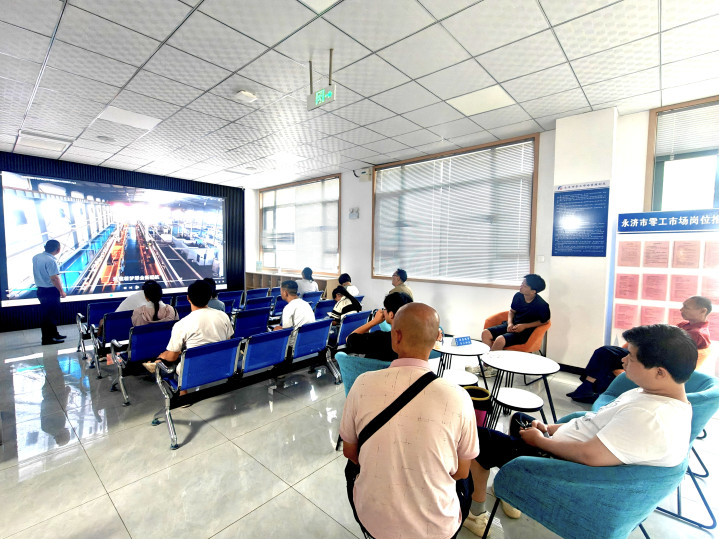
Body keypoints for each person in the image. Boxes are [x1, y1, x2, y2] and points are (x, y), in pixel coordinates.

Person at [464, 323, 695, 537]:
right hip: (564, 448)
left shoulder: (648, 416)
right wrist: (549, 428)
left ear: (660, 372)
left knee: (481, 439)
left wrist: (540, 441)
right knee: (520, 420)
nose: (623, 360)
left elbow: (589, 456)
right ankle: (513, 493)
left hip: (561, 467)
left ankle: (476, 514)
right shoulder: (653, 395)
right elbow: (595, 420)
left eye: (631, 357)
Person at [340, 303, 479, 539]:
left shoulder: (362, 384)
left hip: (373, 518)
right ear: (436, 339)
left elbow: (350, 452)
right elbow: (461, 472)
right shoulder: (459, 397)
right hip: (436, 528)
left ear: (396, 337)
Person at [568, 295, 713, 403]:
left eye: (686, 307)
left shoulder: (697, 334)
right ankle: (589, 387)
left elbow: (669, 353)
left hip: (651, 358)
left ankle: (588, 386)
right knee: (605, 353)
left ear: (703, 311)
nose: (681, 310)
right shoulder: (685, 326)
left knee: (605, 353)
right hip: (648, 352)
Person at [142, 280, 233, 382]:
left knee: (168, 361)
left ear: (188, 298)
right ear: (209, 297)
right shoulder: (223, 316)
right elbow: (228, 341)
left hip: (192, 370)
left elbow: (172, 357)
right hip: (220, 364)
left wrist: (162, 356)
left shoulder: (182, 324)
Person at [481, 274, 550, 351]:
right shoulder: (518, 296)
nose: (521, 286)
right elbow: (512, 311)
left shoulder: (542, 305)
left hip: (525, 332)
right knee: (485, 333)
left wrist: (524, 326)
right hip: (512, 325)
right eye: (522, 284)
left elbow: (545, 321)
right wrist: (510, 323)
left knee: (500, 340)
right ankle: (489, 357)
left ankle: (492, 358)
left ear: (533, 291)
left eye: (525, 286)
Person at [345, 292, 413, 361]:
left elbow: (349, 339)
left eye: (385, 309)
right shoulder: (415, 338)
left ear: (391, 314)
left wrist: (374, 321)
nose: (383, 311)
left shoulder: (380, 339)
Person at [32, 239, 67, 345]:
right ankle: (47, 339)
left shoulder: (36, 257)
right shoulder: (51, 261)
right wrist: (61, 291)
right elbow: (54, 278)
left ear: (45, 247)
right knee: (49, 316)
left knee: (49, 314)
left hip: (41, 290)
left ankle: (54, 334)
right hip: (50, 291)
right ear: (58, 249)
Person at [272, 280, 315, 346]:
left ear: (285, 293)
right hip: (308, 340)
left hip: (294, 344)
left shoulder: (288, 308)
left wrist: (276, 329)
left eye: (281, 291)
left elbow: (286, 332)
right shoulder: (306, 304)